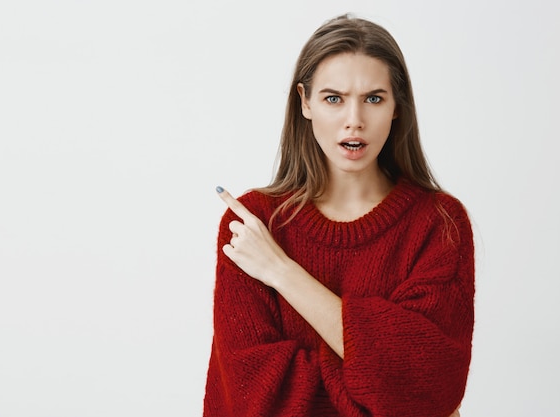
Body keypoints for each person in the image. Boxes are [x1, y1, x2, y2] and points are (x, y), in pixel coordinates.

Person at [203, 14, 473, 417]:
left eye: (374, 98)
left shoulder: (439, 224)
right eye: (334, 98)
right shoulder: (252, 224)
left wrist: (281, 272)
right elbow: (251, 399)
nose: (355, 120)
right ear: (305, 102)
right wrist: (377, 377)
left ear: (397, 107)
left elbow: (430, 387)